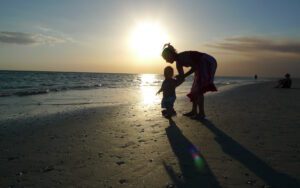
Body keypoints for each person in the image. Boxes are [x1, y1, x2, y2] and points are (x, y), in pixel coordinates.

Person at [161, 43, 217, 120]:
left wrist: (183, 76)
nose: (166, 61)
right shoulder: (178, 64)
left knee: (199, 89)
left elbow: (194, 67)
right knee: (194, 89)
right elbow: (182, 78)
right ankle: (194, 111)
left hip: (206, 61)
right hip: (200, 65)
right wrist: (171, 84)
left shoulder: (182, 56)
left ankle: (201, 113)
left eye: (166, 58)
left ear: (170, 55)